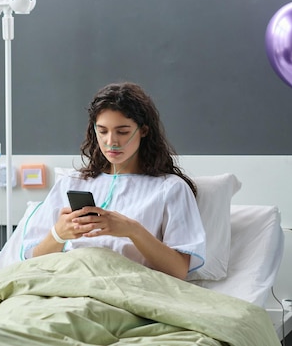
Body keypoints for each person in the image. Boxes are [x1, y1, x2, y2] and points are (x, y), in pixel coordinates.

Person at [20, 82, 206, 280]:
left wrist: (132, 230)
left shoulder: (170, 188)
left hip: (129, 289)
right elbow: (33, 262)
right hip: (68, 283)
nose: (111, 142)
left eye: (122, 131)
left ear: (143, 130)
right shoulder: (71, 183)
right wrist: (59, 234)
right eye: (102, 131)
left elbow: (178, 271)